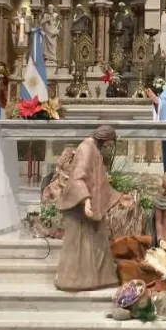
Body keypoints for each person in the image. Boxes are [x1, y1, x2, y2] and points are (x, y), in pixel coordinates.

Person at [55, 125, 125, 291]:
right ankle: (72, 280)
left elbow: (99, 182)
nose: (110, 147)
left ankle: (99, 279)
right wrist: (86, 201)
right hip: (79, 205)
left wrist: (119, 197)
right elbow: (78, 178)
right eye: (110, 142)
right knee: (79, 245)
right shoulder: (87, 148)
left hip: (90, 204)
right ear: (105, 137)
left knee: (97, 241)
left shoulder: (94, 149)